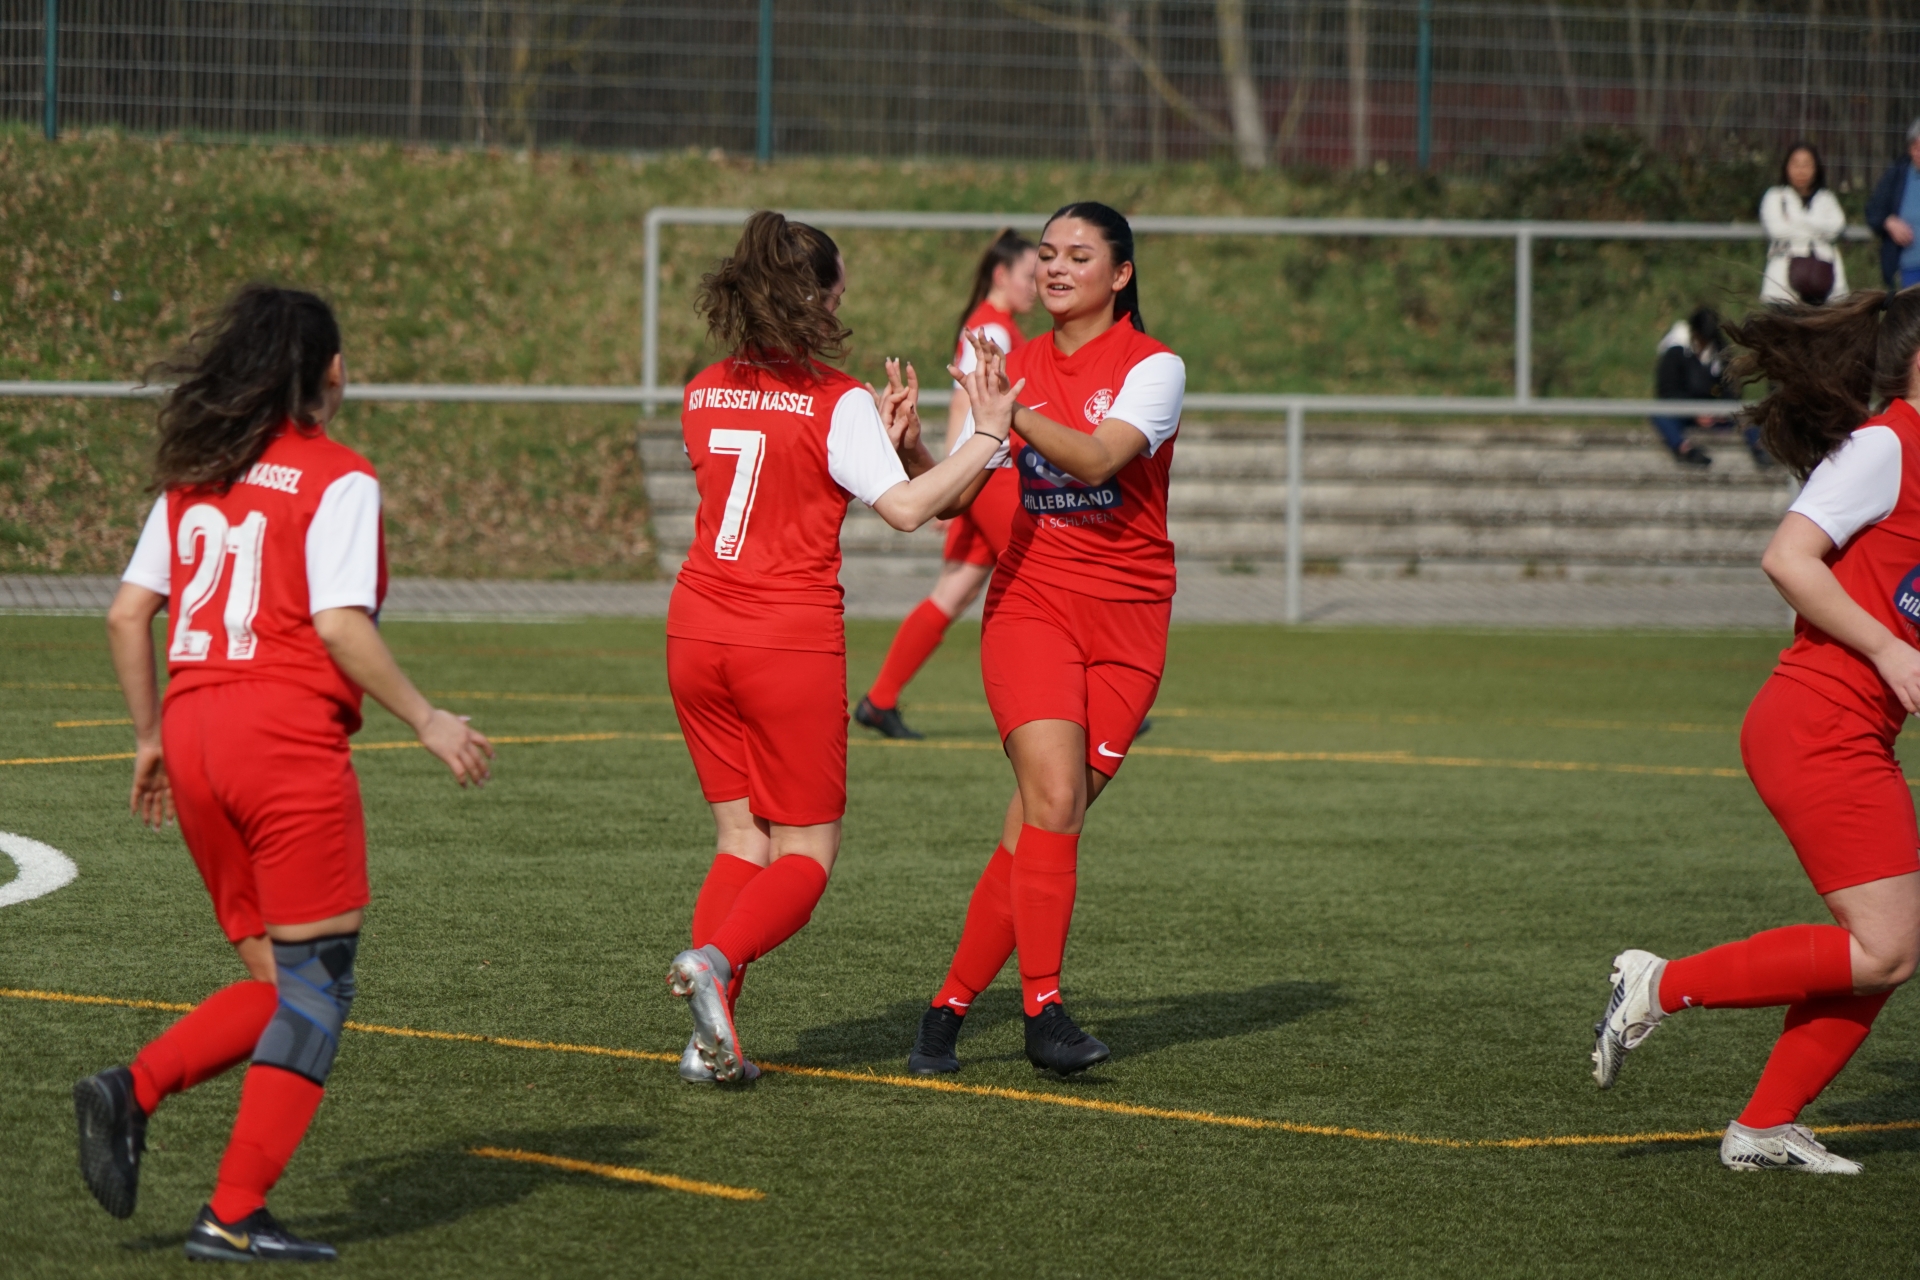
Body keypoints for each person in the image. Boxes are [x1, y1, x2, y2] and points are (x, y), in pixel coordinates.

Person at [75, 284, 493, 1259]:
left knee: (275, 977)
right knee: (318, 988)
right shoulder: (336, 476)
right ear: (332, 372)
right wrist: (428, 718)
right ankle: (228, 1204)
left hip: (192, 733)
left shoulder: (197, 475)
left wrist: (148, 738)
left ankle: (129, 1095)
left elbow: (127, 613)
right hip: (282, 742)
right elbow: (340, 623)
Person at [665, 211, 1014, 1083]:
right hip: (782, 640)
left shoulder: (703, 386)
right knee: (806, 857)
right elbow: (904, 511)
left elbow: (781, 476)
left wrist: (889, 454)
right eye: (838, 288)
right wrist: (987, 437)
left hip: (695, 628)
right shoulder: (835, 397)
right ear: (812, 298)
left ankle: (714, 1042)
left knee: (741, 840)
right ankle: (711, 966)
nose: (843, 302)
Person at [1592, 288, 1920, 1174]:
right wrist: (1891, 650)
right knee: (1890, 946)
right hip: (1815, 722)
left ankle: (1766, 1124)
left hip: (1847, 729)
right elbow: (1786, 557)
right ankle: (1658, 985)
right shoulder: (1889, 443)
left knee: (1884, 951)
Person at [907, 202, 1185, 1078]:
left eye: (1078, 255)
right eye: (1048, 255)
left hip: (1132, 621)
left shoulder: (1155, 367)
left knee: (1037, 825)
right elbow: (950, 496)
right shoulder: (1007, 366)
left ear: (1122, 274)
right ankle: (1044, 1012)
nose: (1055, 268)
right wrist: (914, 446)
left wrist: (1006, 413)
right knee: (1056, 799)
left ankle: (944, 1017)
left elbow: (1101, 458)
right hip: (1033, 602)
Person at [853, 229, 1038, 740]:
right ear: (1001, 276)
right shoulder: (993, 332)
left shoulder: (994, 327)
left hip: (979, 473)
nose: (1037, 287)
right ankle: (1076, 694)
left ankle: (879, 700)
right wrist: (948, 482)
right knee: (1040, 577)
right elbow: (968, 405)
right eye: (1029, 275)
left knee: (953, 593)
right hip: (990, 476)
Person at [1650, 307, 1762, 467]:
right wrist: (1695, 412)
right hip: (1685, 413)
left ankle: (1759, 448)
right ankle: (1685, 449)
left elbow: (1732, 390)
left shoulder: (1720, 352)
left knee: (1748, 414)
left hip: (1716, 414)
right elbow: (1667, 392)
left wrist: (1718, 411)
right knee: (1660, 414)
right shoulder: (1675, 353)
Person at [1760, 142, 1848, 306]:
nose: (1801, 171)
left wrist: (1797, 223)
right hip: (1782, 291)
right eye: (1796, 164)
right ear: (1786, 167)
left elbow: (1836, 227)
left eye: (1807, 165)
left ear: (1816, 168)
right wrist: (1819, 231)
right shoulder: (1775, 196)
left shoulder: (1826, 198)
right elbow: (1777, 230)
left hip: (1823, 284)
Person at [1864, 118, 1920, 289]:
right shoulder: (1898, 175)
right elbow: (1873, 210)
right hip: (1908, 268)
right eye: (1916, 147)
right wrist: (1889, 221)